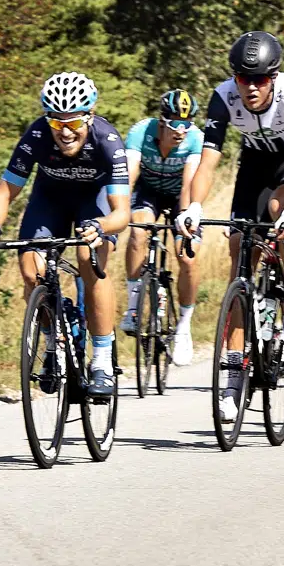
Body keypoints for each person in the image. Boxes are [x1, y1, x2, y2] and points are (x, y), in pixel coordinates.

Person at [181, 31, 284, 422]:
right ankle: (232, 379)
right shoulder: (223, 96)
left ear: (274, 77)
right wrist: (193, 205)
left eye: (261, 79)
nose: (253, 87)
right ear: (235, 78)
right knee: (240, 252)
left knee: (280, 209)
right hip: (255, 165)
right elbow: (208, 161)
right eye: (245, 79)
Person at [0, 72, 132, 397]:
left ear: (89, 117)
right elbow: (4, 193)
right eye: (56, 122)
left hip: (95, 203)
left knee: (90, 263)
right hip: (50, 200)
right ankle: (53, 343)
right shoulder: (36, 135)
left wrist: (101, 227)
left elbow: (122, 213)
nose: (64, 132)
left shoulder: (107, 140)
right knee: (31, 272)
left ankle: (102, 359)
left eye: (73, 123)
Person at [122, 89, 205, 367]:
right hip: (148, 192)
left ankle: (183, 325)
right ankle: (133, 307)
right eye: (175, 124)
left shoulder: (195, 138)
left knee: (187, 256)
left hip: (179, 195)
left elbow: (188, 185)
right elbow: (130, 174)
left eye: (187, 123)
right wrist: (120, 210)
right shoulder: (140, 132)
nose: (181, 130)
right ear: (162, 120)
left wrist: (184, 218)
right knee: (137, 232)